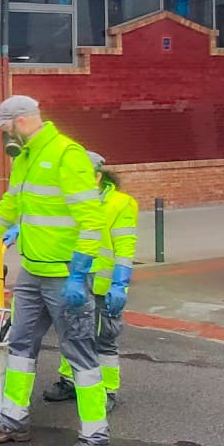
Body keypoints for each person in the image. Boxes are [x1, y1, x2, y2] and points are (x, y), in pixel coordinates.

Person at [0, 95, 111, 446]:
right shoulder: (24, 160)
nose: (2, 134)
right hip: (33, 274)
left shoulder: (67, 156)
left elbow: (92, 220)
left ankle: (95, 435)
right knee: (20, 344)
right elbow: (8, 210)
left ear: (20, 122)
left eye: (4, 127)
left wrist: (79, 273)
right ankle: (13, 419)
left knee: (80, 353)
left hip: (65, 275)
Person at [42, 152, 137, 412]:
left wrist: (120, 284)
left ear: (98, 176)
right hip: (78, 282)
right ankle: (71, 380)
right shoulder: (69, 201)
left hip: (107, 285)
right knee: (73, 332)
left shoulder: (120, 203)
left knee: (105, 338)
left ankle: (107, 389)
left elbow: (125, 247)